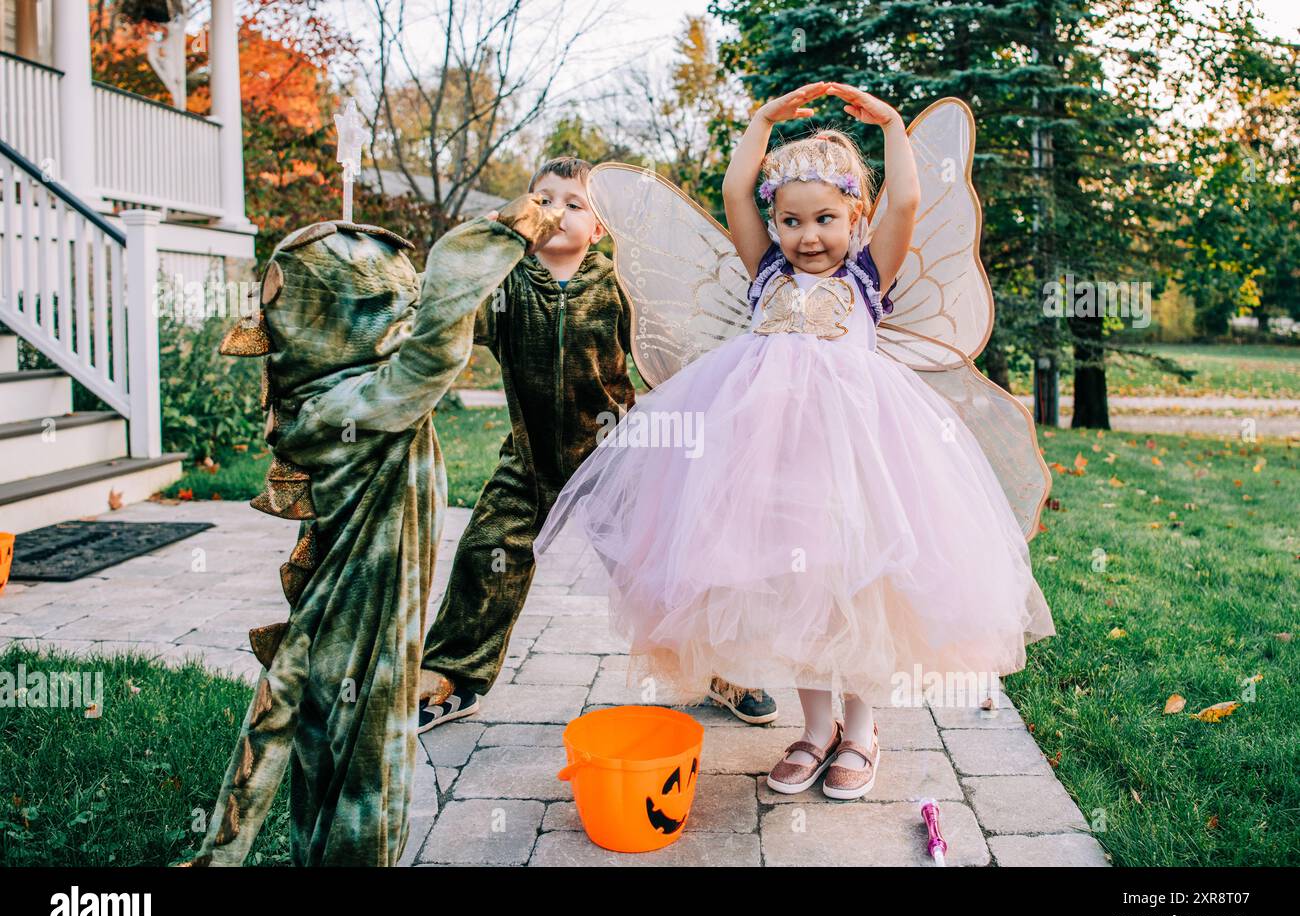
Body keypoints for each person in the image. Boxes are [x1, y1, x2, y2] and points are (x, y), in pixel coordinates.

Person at [533, 82, 1056, 801]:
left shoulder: (868, 276)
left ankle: (862, 733)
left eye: (826, 220)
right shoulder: (766, 272)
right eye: (791, 221)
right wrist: (763, 121)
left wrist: (894, 124)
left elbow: (906, 200)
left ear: (856, 218)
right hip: (772, 463)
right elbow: (733, 190)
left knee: (860, 584)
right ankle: (814, 732)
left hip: (861, 459)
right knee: (798, 588)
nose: (808, 236)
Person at [189, 194, 562, 865]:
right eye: (377, 307)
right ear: (321, 322)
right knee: (364, 767)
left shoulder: (352, 391)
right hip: (362, 630)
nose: (400, 315)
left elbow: (422, 340)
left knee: (311, 743)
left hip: (356, 622)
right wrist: (496, 233)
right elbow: (429, 357)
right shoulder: (340, 406)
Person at [418, 156, 778, 731]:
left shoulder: (617, 285)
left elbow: (663, 354)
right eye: (542, 199)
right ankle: (451, 676)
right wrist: (487, 246)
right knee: (487, 554)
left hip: (615, 457)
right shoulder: (505, 283)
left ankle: (716, 666)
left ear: (601, 227)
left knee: (662, 565)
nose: (555, 211)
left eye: (573, 203)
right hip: (530, 458)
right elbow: (445, 311)